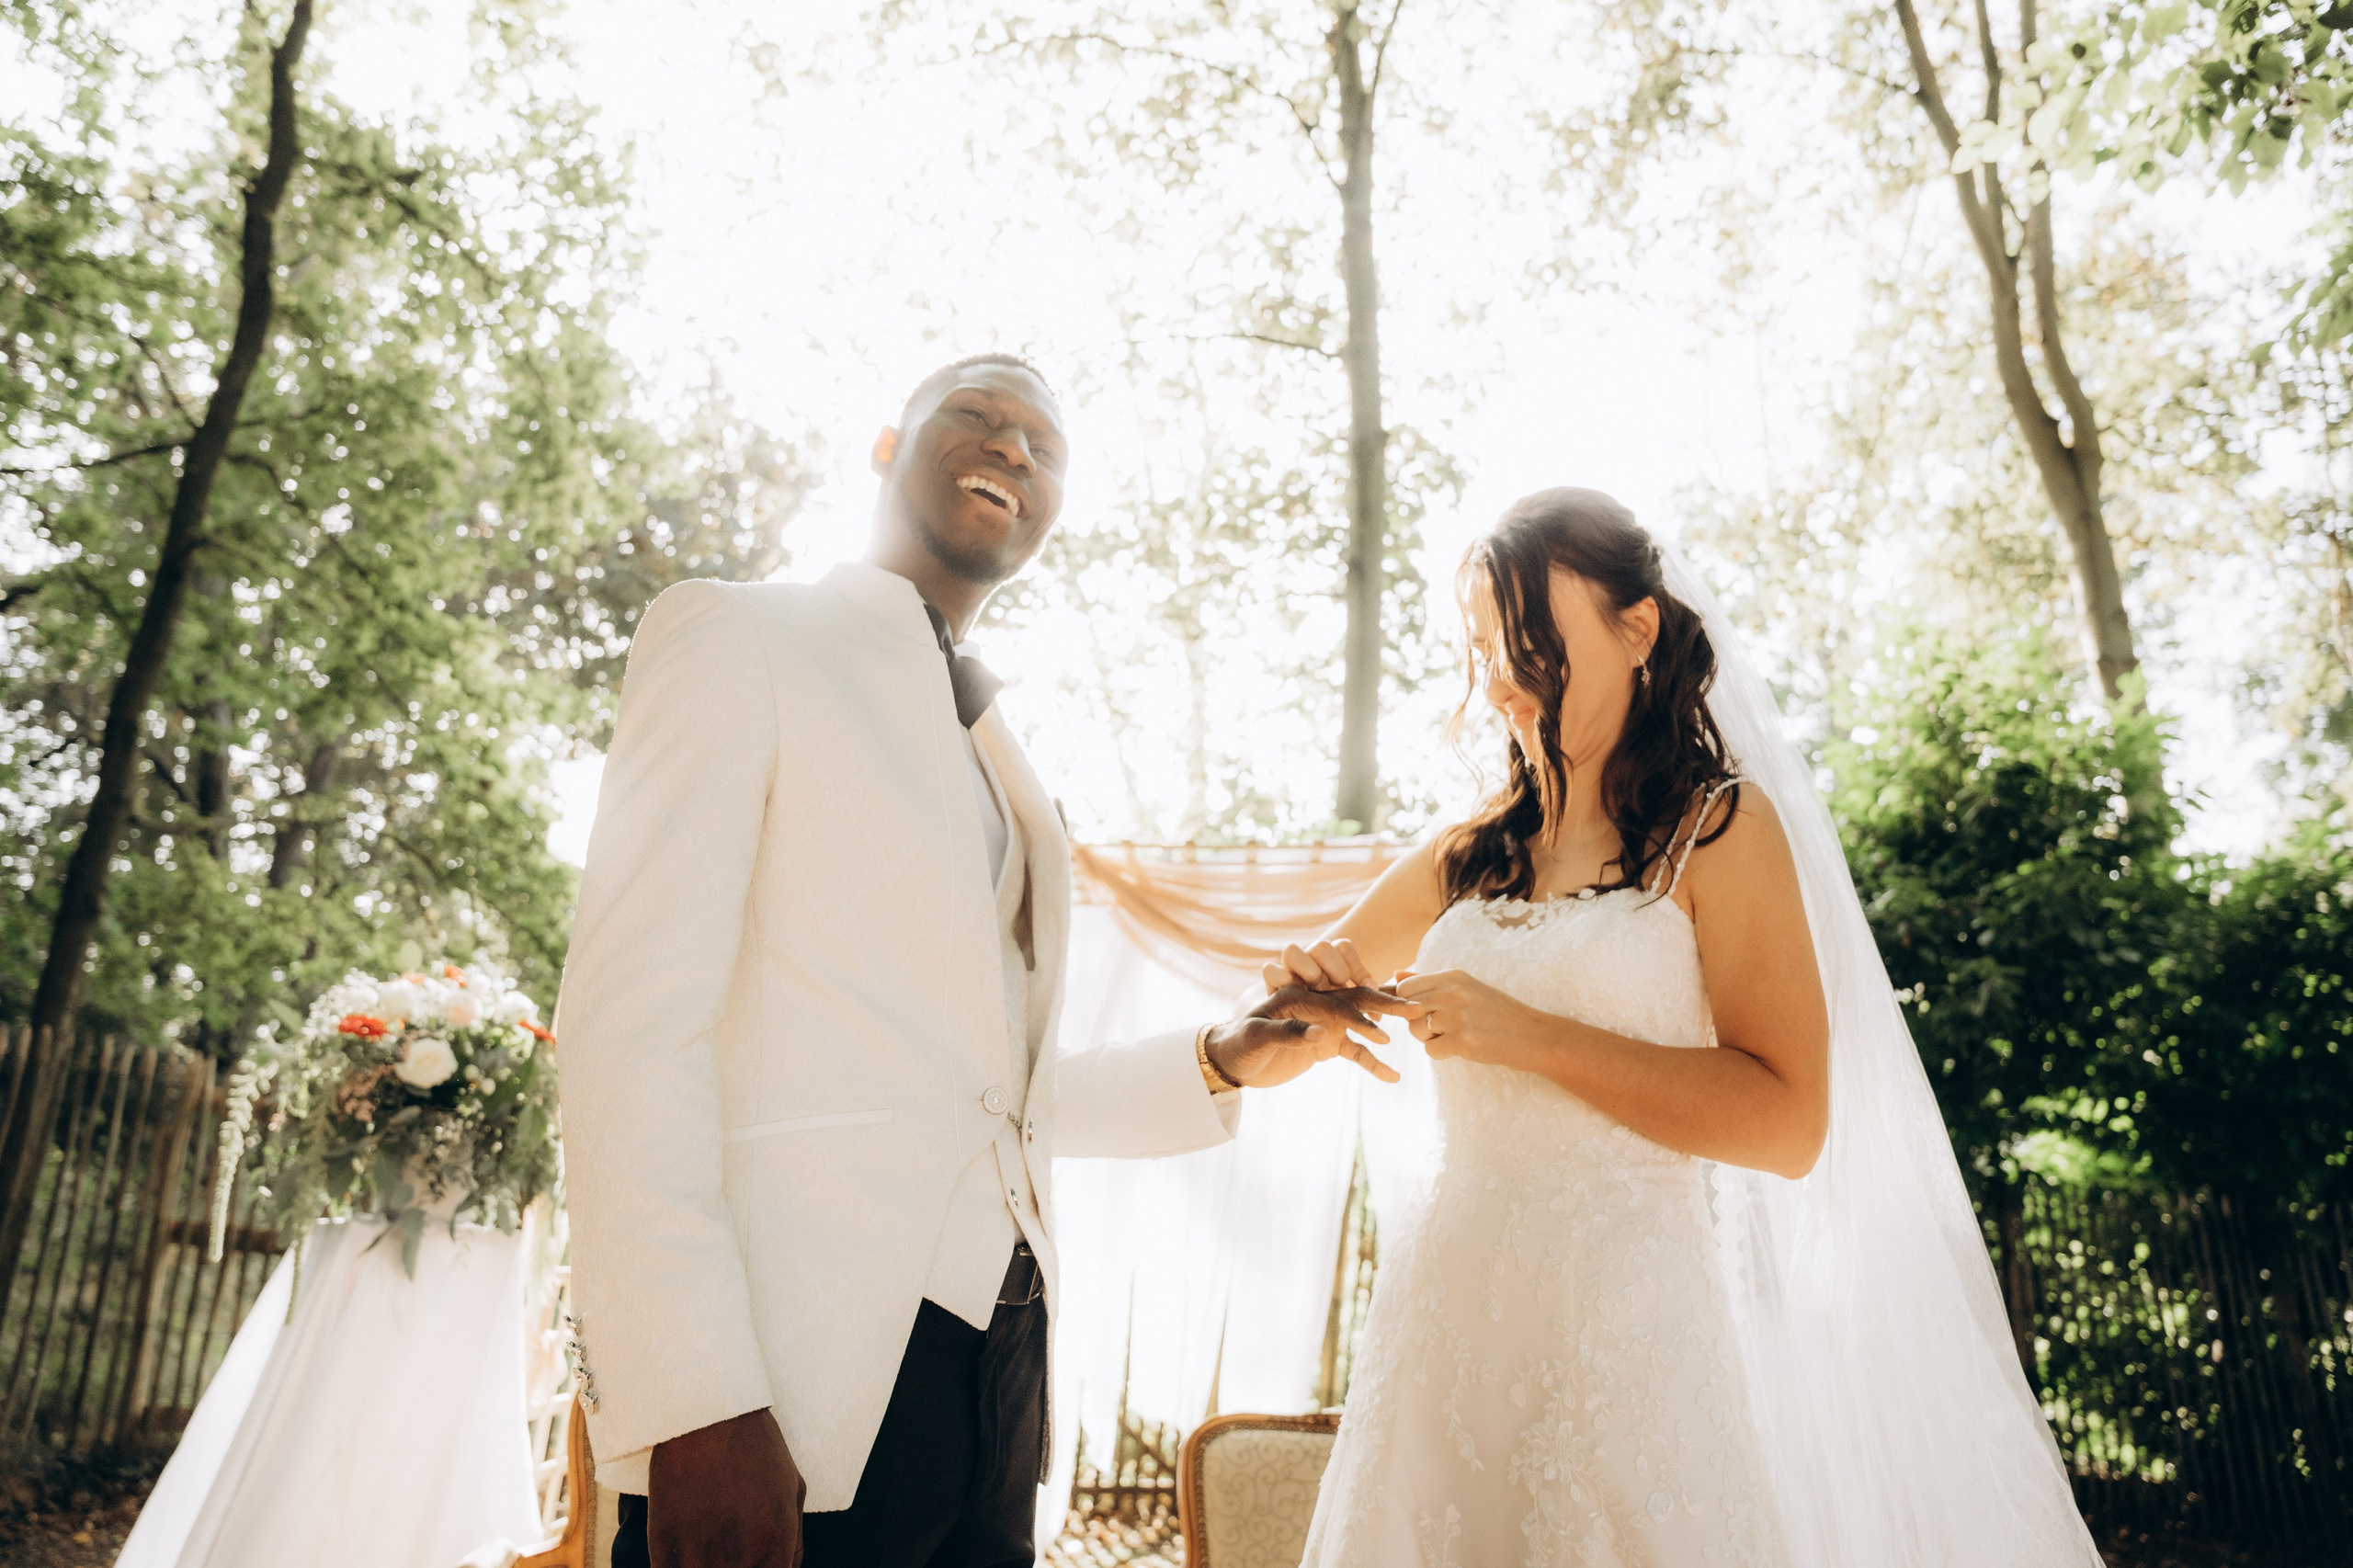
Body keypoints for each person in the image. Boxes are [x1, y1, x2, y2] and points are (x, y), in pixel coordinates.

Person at [552, 354, 1411, 1568]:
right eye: (979, 416)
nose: (1013, 447)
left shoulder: (1006, 759)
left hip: (998, 1380)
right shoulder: (738, 634)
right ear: (885, 445)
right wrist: (694, 1393)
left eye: (1045, 447)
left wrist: (1222, 1058)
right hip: (788, 1389)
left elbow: (987, 1096)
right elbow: (630, 1029)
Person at [1280, 488, 2103, 1565]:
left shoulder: (1720, 829)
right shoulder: (1464, 852)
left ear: (1636, 631)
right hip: (1441, 1328)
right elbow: (1304, 995)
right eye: (1484, 651)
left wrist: (1526, 1033)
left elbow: (1787, 1124)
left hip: (1626, 1349)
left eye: (1531, 647)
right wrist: (1301, 993)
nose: (1502, 683)